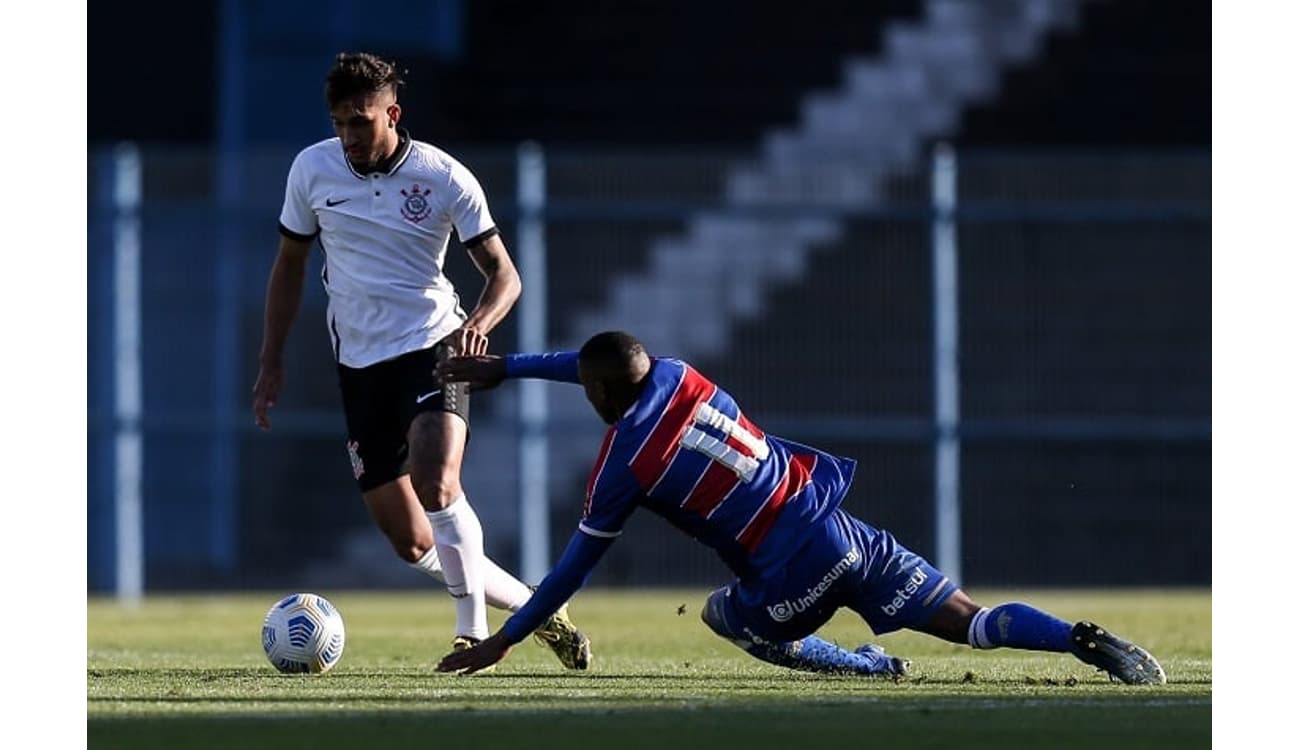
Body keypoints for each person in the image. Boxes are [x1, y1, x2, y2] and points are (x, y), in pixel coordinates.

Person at [432, 331, 1166, 685]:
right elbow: (602, 362)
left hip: (787, 578)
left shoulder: (625, 465)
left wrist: (507, 640)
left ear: (598, 397)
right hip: (843, 531)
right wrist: (512, 366)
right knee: (970, 622)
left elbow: (568, 575)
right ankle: (1079, 639)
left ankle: (863, 668)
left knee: (724, 614)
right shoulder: (680, 374)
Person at [251, 51, 590, 669]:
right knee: (410, 542)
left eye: (361, 121)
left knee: (438, 482)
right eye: (340, 122)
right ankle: (538, 609)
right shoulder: (312, 170)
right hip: (358, 364)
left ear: (392, 114)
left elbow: (504, 274)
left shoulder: (443, 177)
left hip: (434, 344)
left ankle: (472, 632)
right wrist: (271, 360)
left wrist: (478, 326)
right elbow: (290, 265)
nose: (349, 136)